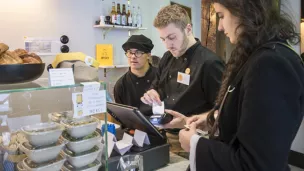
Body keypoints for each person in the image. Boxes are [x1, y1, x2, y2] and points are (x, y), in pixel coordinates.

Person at [163, 0, 304, 170]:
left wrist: (195, 144)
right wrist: (211, 120)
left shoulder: (270, 64)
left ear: (244, 11)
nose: (220, 27)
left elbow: (257, 164)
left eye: (221, 16)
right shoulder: (256, 57)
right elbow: (249, 120)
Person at [140, 4, 224, 156]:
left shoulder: (210, 63)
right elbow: (157, 85)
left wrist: (188, 121)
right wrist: (152, 93)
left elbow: (222, 111)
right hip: (164, 135)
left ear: (188, 29)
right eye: (163, 39)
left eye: (172, 37)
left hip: (193, 139)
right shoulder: (167, 57)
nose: (167, 45)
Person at [114, 35, 156, 116]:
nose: (133, 57)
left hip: (160, 127)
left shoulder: (161, 77)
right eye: (130, 52)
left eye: (138, 52)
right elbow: (121, 117)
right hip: (131, 128)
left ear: (148, 55)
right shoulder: (121, 85)